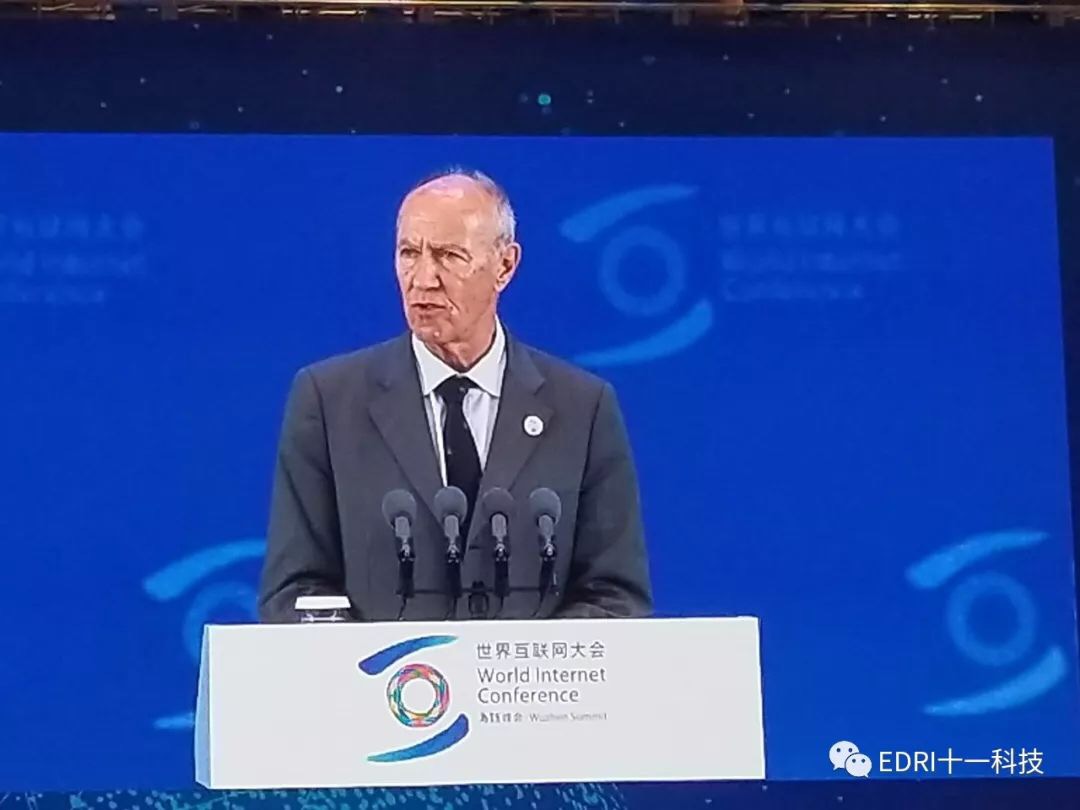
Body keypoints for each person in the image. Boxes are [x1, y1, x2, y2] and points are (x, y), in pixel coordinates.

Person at [258, 168, 652, 622]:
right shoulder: (328, 402)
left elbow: (615, 594)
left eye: (449, 256)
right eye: (409, 253)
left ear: (505, 266)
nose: (424, 278)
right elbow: (296, 590)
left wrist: (526, 661)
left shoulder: (583, 408)